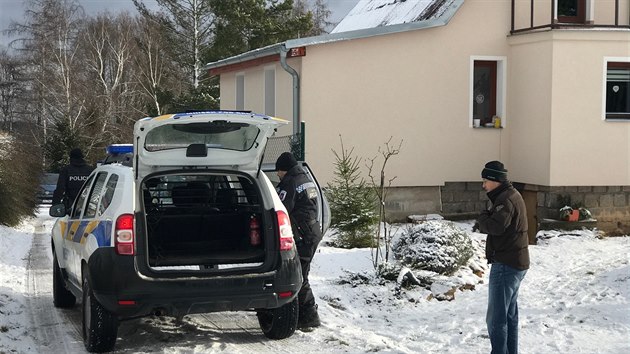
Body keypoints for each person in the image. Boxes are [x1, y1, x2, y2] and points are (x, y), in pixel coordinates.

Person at [475, 161, 529, 354]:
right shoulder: (511, 195)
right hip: (516, 262)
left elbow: (496, 227)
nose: (484, 185)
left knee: (496, 319)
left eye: (485, 180)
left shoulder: (505, 199)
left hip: (506, 264)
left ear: (496, 180)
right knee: (509, 315)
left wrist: (482, 217)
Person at [275, 152, 323, 329]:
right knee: (302, 274)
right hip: (311, 231)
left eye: (278, 171)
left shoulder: (290, 183)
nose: (278, 175)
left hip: (302, 234)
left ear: (284, 169)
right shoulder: (305, 178)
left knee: (300, 275)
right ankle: (304, 315)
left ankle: (309, 316)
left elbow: (280, 208)